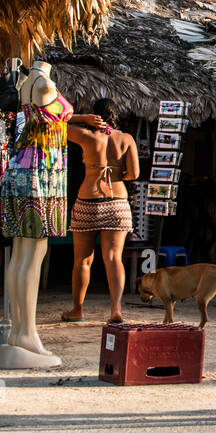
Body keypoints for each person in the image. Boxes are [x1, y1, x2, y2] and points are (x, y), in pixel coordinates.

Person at [62, 98, 140, 324]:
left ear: (95, 116)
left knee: (82, 261)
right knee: (114, 258)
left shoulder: (87, 136)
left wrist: (81, 119)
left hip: (89, 201)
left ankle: (77, 310)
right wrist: (116, 175)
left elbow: (54, 122)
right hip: (117, 202)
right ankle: (116, 310)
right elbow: (134, 174)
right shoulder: (126, 139)